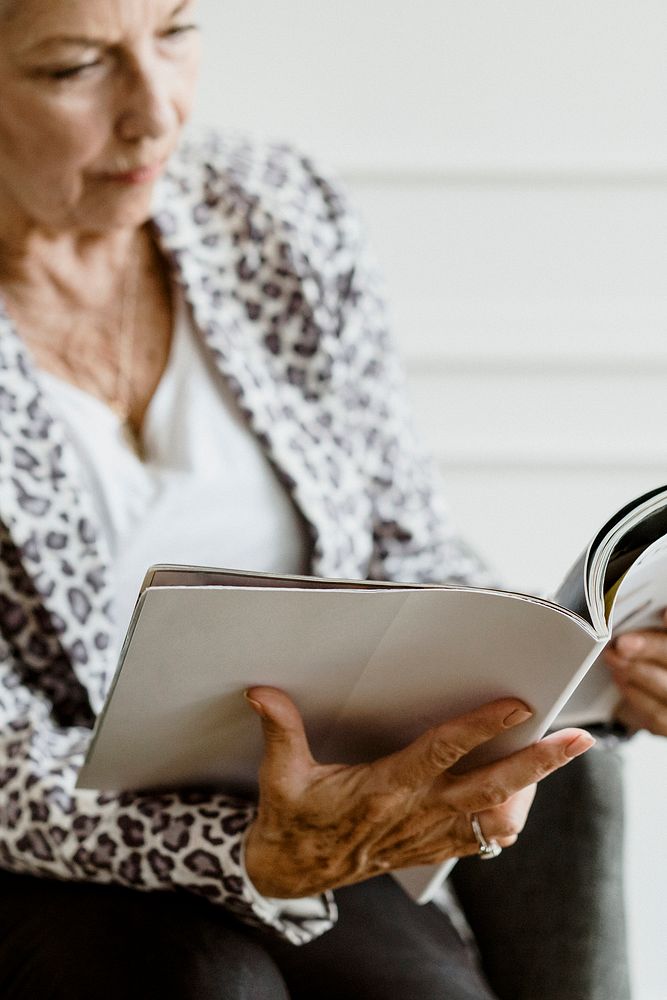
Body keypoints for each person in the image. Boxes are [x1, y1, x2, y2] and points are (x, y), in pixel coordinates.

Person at [0, 1, 664, 997]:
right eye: (76, 66)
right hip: (42, 850)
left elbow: (402, 541)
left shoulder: (272, 210)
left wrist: (586, 666)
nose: (156, 113)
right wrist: (253, 849)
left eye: (177, 32)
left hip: (322, 816)